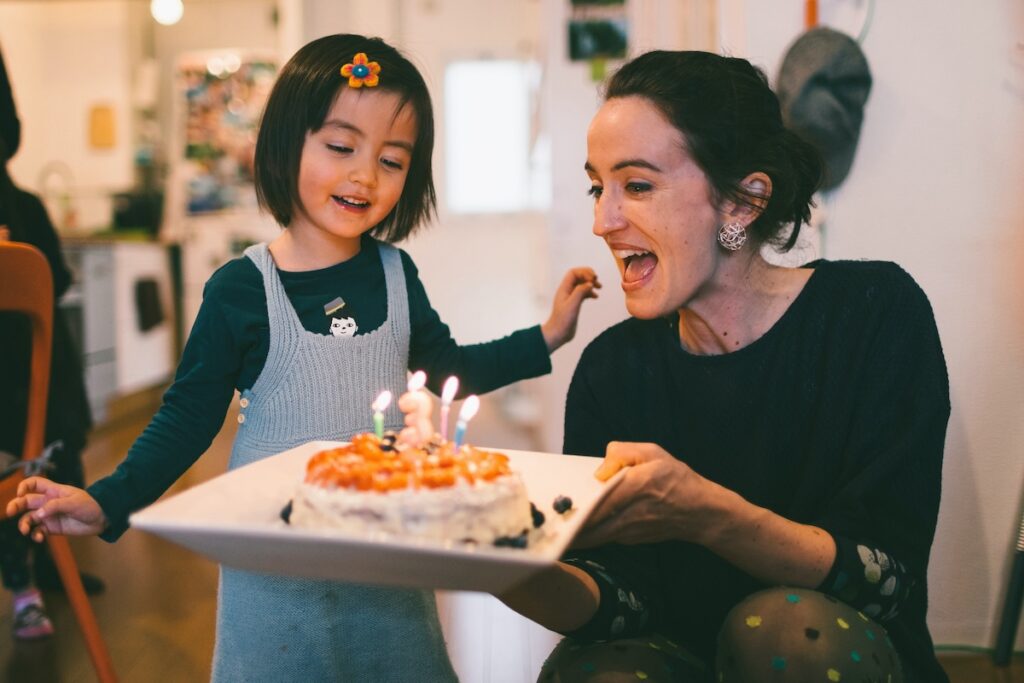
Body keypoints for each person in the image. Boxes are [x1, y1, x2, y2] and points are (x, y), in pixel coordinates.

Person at [6, 34, 598, 680]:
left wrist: (546, 334)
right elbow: (186, 418)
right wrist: (105, 500)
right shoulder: (242, 288)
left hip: (387, 577)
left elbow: (451, 366)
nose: (364, 176)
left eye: (392, 160)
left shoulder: (398, 276)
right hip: (274, 589)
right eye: (341, 147)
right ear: (288, 143)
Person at [498, 50, 949, 683]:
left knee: (789, 630)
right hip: (676, 657)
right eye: (598, 187)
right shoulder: (613, 369)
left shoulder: (874, 314)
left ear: (741, 202)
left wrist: (708, 514)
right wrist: (510, 567)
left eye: (638, 185)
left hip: (832, 653)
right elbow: (622, 603)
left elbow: (885, 581)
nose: (603, 221)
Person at [0, 46, 99, 641]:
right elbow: (56, 282)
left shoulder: (26, 208)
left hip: (26, 396)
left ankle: (34, 576)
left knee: (34, 436)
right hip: (35, 400)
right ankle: (40, 569)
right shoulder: (27, 206)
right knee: (44, 434)